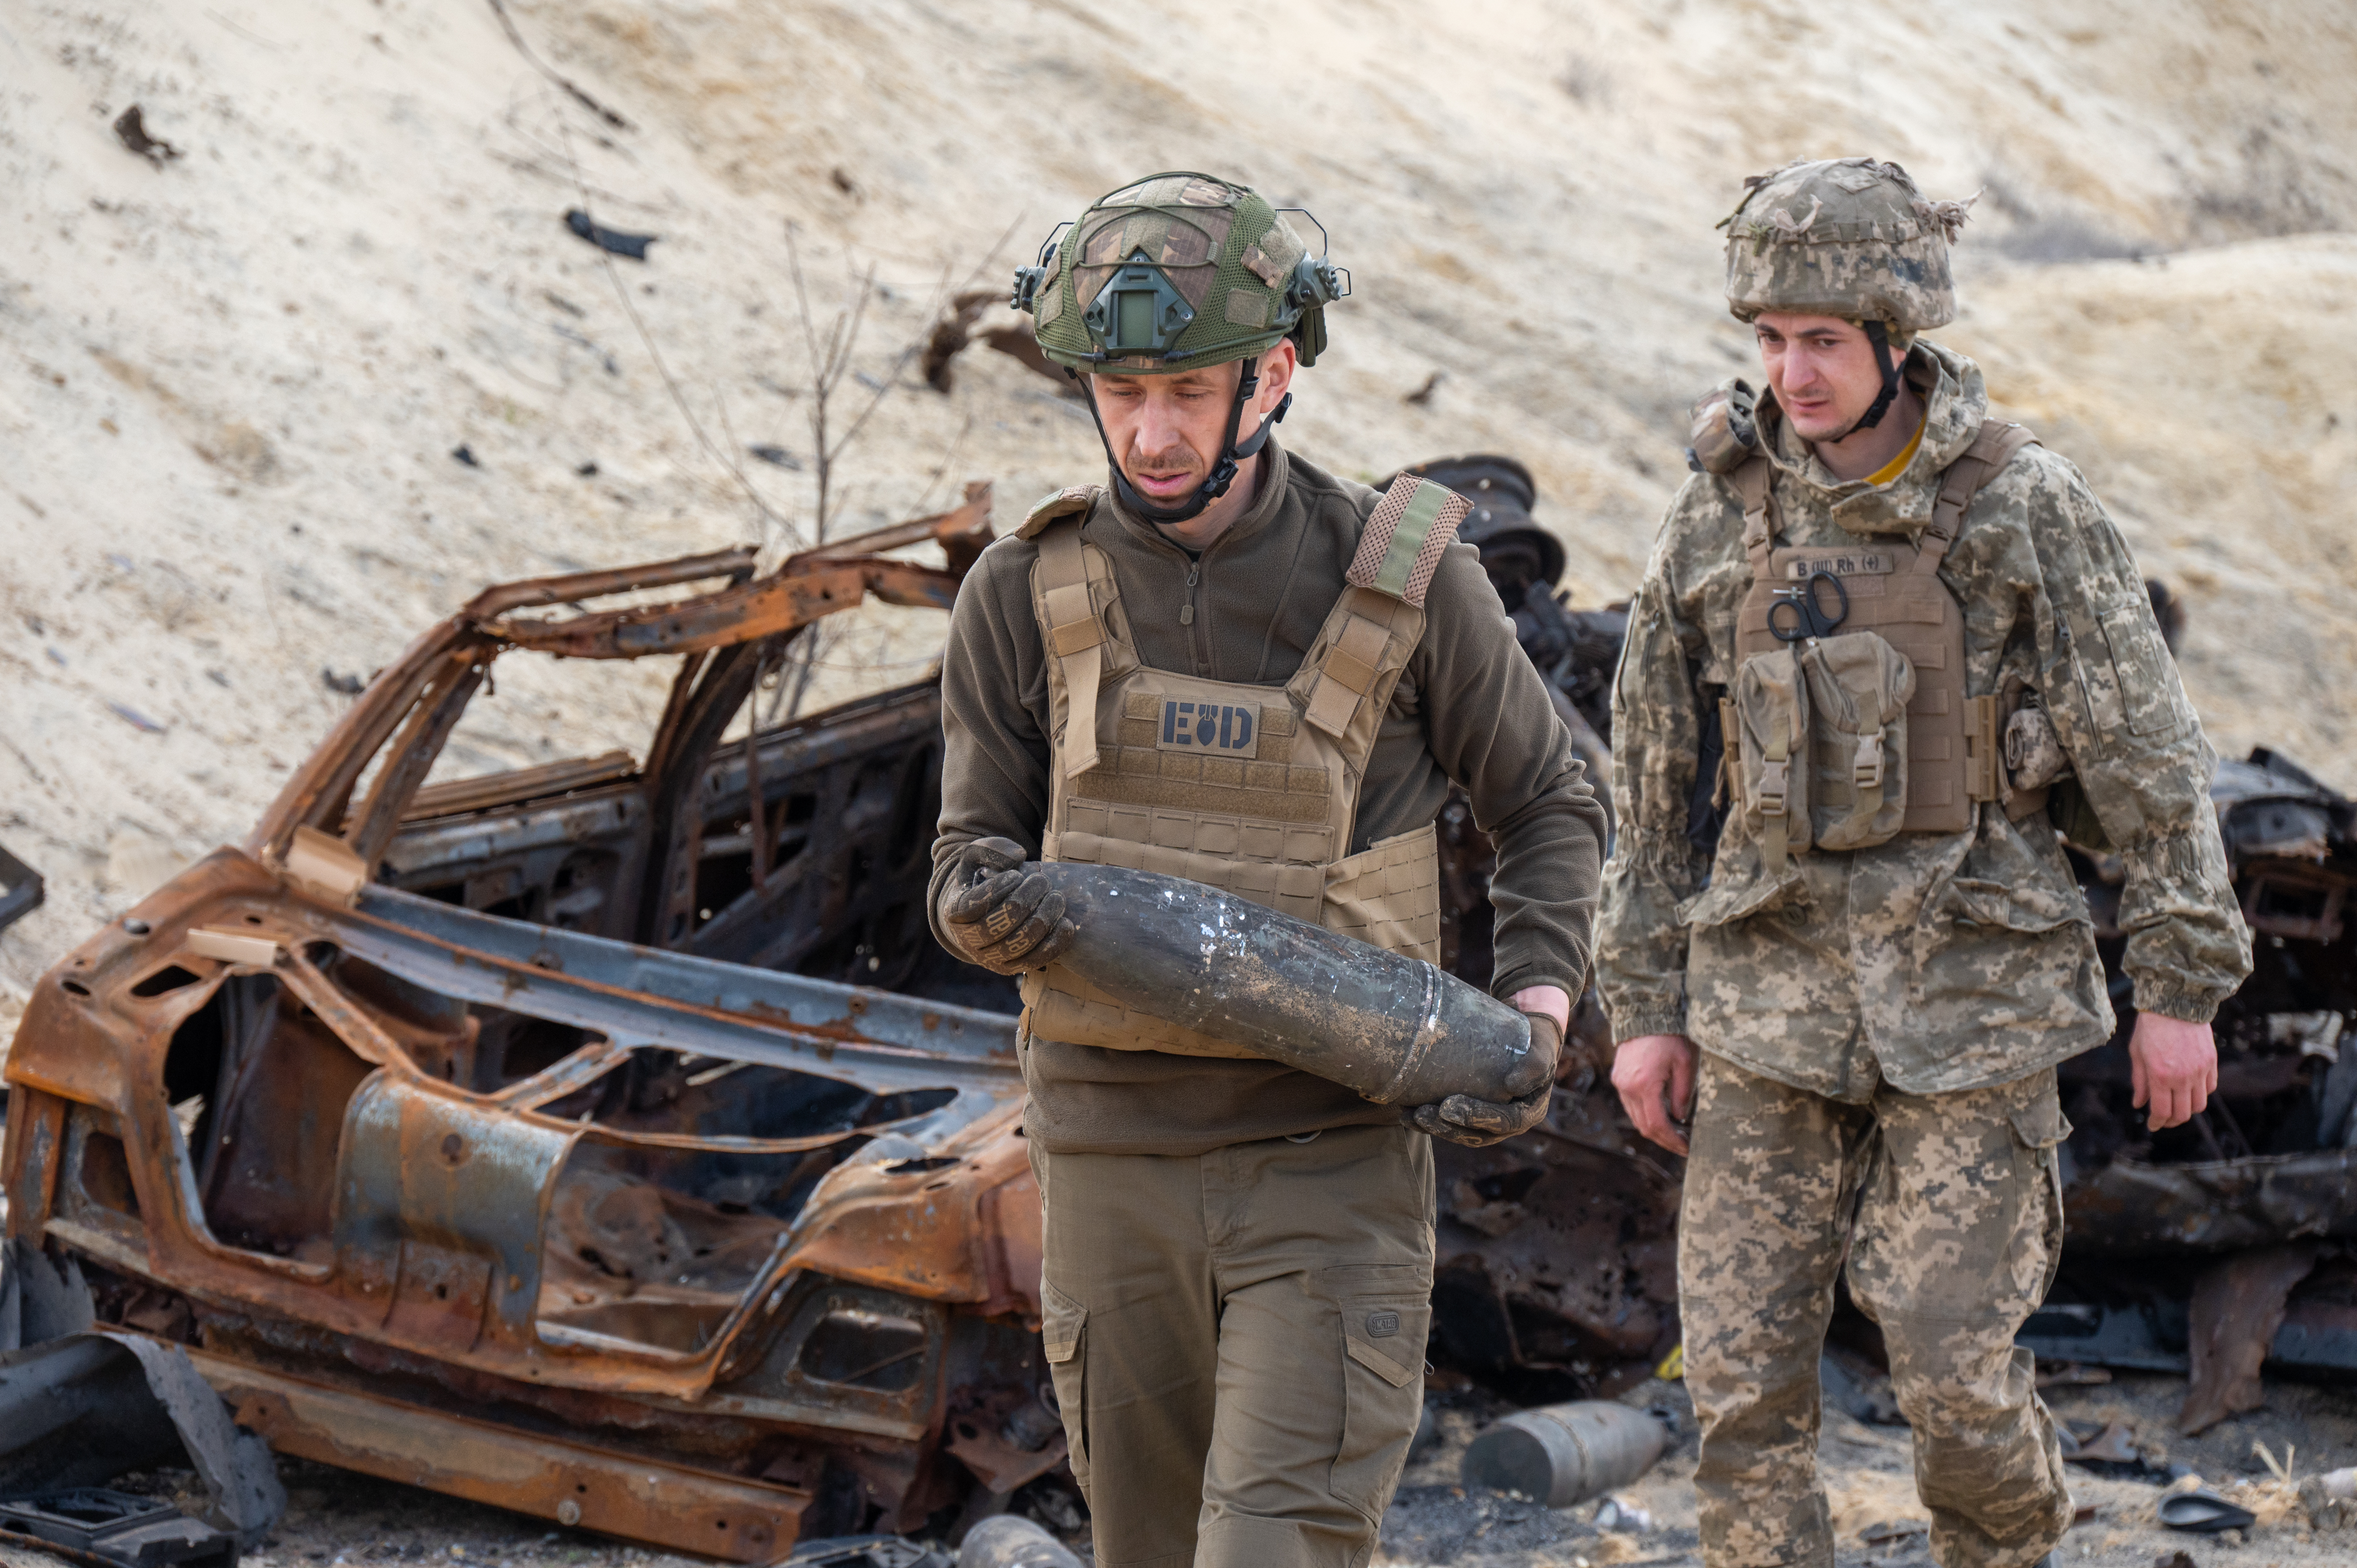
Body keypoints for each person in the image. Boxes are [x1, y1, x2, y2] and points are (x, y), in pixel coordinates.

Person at [928, 172, 1607, 1568]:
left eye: (1187, 391)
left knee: (1272, 1548)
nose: (1150, 432)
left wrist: (1535, 1004)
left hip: (1329, 1163)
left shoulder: (1405, 579)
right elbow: (962, 857)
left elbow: (1547, 800)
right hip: (1106, 1159)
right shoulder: (1021, 589)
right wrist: (996, 914)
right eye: (1119, 392)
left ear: (1274, 374)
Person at [1596, 157, 2252, 1568]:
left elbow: (2146, 758)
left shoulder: (2022, 504)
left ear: (1897, 339)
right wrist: (1642, 1006)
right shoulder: (1716, 512)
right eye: (1770, 341)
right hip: (1765, 1005)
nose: (1791, 374)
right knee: (1739, 1393)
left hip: (1975, 1003)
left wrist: (2179, 986)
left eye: (1823, 342)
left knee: (1954, 1378)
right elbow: (1649, 786)